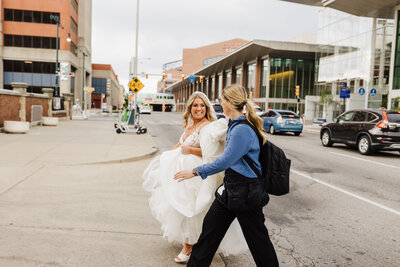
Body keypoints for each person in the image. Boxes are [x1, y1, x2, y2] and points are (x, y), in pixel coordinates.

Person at [174, 84, 279, 267]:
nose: (220, 103)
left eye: (222, 100)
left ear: (230, 102)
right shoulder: (232, 124)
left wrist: (195, 171)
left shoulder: (242, 130)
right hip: (229, 191)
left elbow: (225, 161)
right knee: (208, 237)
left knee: (259, 244)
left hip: (247, 193)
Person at [142, 91, 247, 263]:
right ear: (190, 108)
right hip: (181, 174)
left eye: (202, 105)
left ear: (207, 108)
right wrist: (165, 157)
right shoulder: (190, 125)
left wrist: (190, 150)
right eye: (195, 105)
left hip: (197, 175)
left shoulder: (209, 126)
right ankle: (193, 242)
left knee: (192, 210)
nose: (199, 109)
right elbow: (181, 144)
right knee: (179, 208)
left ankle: (188, 247)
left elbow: (215, 154)